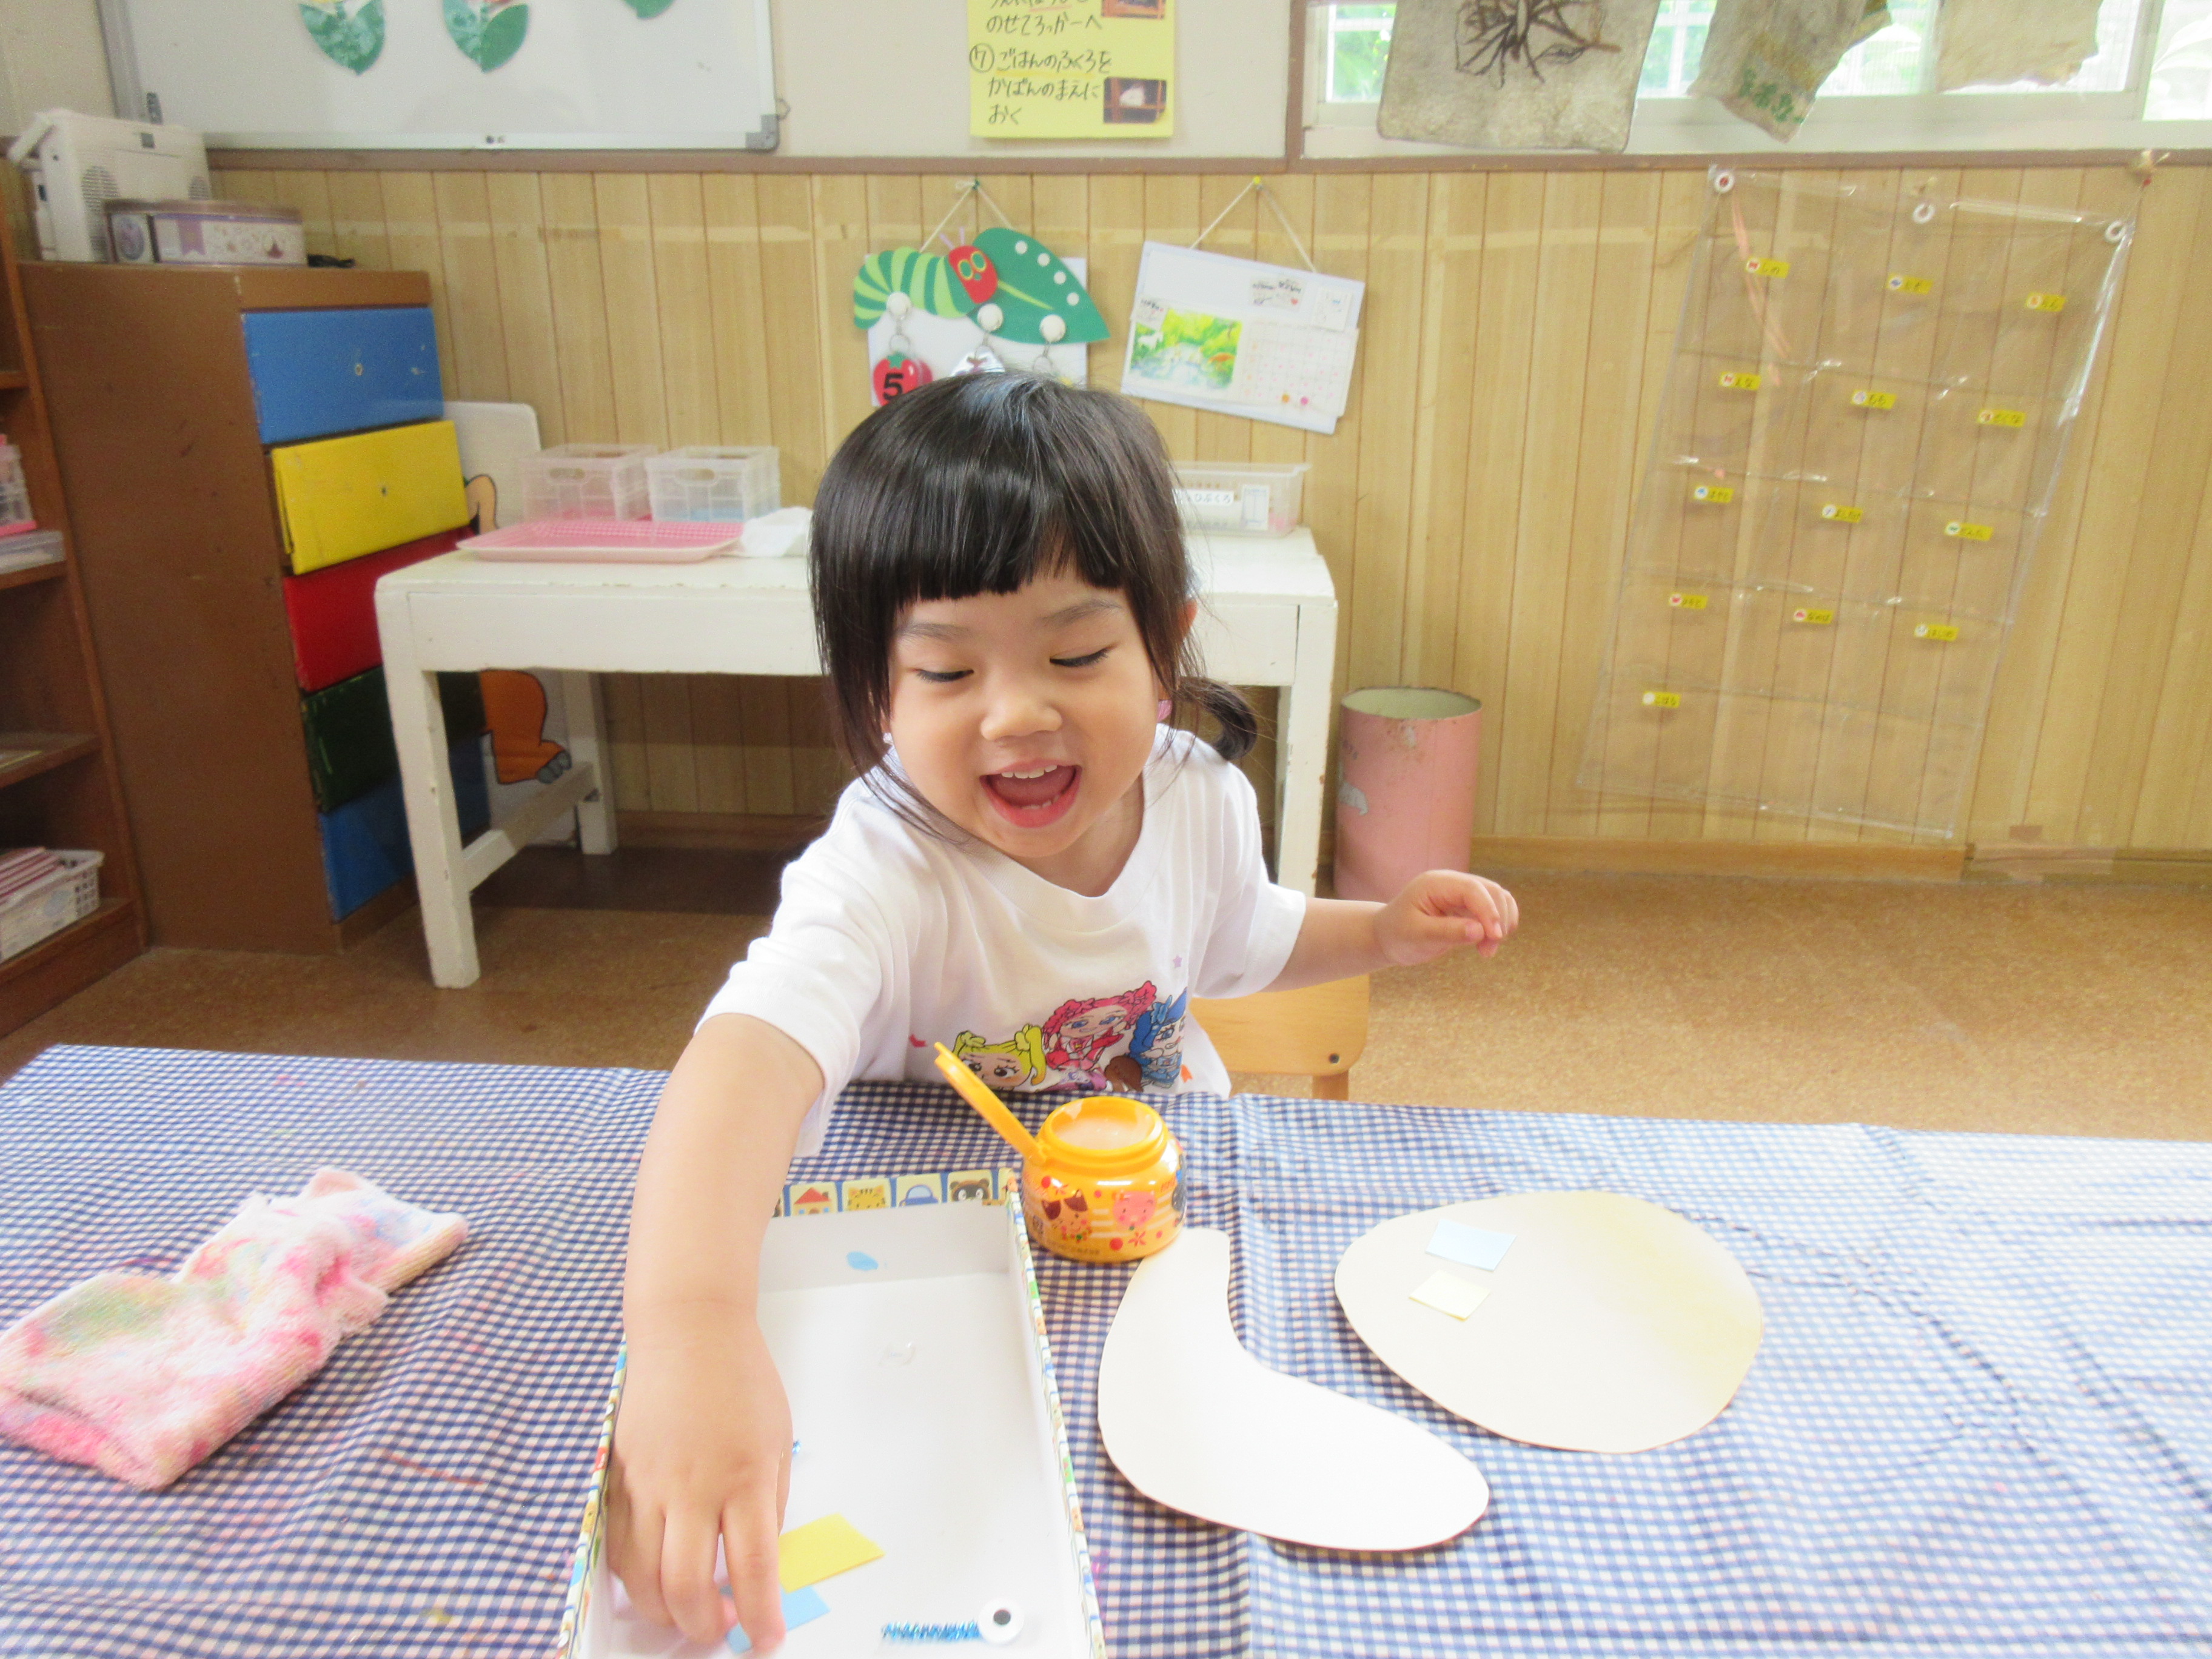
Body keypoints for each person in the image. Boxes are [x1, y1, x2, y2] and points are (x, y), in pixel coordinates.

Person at [609, 374, 1518, 1650]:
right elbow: (749, 1055)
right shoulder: (884, 862)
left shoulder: (1199, 800)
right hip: (940, 1273)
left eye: (1077, 655)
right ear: (877, 695)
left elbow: (1244, 941)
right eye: (946, 668)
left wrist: (1376, 933)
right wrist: (692, 1327)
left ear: (1164, 650)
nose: (1018, 713)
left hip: (1159, 1241)